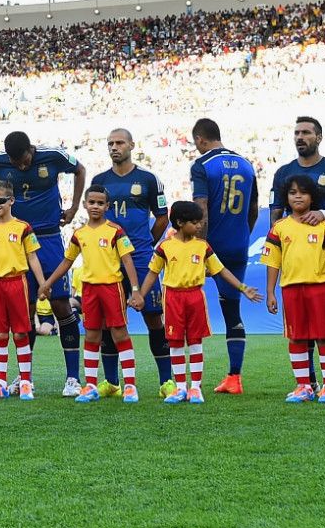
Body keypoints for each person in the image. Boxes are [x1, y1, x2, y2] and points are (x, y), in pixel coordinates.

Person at [133, 200, 261, 404]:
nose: (200, 226)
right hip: (173, 297)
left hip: (195, 297)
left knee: (195, 341)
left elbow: (221, 270)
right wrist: (140, 294)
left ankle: (195, 388)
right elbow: (152, 273)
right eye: (195, 222)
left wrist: (243, 288)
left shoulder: (203, 246)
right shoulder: (165, 247)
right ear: (180, 222)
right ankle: (181, 388)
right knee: (175, 343)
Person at [270, 116, 325, 398]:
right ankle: (308, 383)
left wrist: (323, 215)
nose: (300, 137)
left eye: (306, 132)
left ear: (318, 137)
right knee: (300, 331)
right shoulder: (283, 172)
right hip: (296, 268)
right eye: (297, 132)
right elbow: (275, 211)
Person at [0, 130, 81, 396]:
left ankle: (73, 378)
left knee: (61, 305)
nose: (21, 166)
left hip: (50, 238)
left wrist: (74, 206)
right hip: (16, 241)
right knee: (23, 311)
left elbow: (80, 169)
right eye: (16, 162)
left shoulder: (53, 156)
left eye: (25, 160)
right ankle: (24, 376)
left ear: (31, 149)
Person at [39, 187, 142, 404]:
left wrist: (134, 290)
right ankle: (91, 386)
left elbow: (127, 261)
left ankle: (130, 386)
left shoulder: (115, 231)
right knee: (92, 335)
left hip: (112, 288)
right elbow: (67, 262)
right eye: (92, 202)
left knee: (119, 334)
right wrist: (47, 283)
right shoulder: (79, 234)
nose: (95, 206)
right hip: (90, 290)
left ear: (107, 206)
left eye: (100, 203)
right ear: (85, 204)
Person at [95, 129, 170, 396]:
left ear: (132, 145)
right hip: (107, 259)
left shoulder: (149, 179)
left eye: (119, 142)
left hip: (139, 258)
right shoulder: (99, 180)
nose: (114, 147)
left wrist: (144, 243)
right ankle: (113, 383)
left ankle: (166, 381)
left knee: (153, 316)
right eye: (110, 143)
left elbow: (162, 216)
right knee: (108, 321)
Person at [262, 176, 325, 404]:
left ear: (312, 197)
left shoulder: (324, 225)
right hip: (291, 289)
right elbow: (273, 262)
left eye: (303, 192)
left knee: (324, 336)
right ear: (286, 198)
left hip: (321, 288)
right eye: (292, 192)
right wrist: (270, 292)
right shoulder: (279, 228)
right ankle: (304, 386)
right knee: (297, 338)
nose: (297, 196)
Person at [188, 118, 259, 394]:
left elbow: (201, 210)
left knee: (187, 303)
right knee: (232, 310)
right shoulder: (246, 163)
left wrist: (201, 248)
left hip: (211, 246)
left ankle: (183, 379)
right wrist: (244, 234)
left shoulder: (202, 165)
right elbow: (253, 208)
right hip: (238, 244)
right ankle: (234, 377)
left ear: (199, 140)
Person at [0, 181, 48, 401]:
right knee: (1, 334)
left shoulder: (23, 227)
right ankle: (1, 383)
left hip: (17, 282)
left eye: (0, 201)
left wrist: (43, 284)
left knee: (21, 333)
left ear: (11, 201)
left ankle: (25, 382)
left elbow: (33, 257)